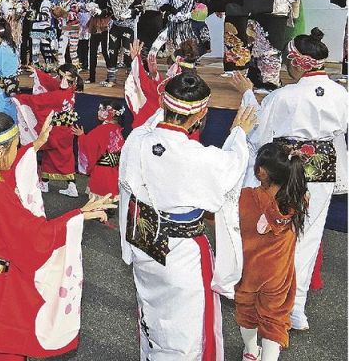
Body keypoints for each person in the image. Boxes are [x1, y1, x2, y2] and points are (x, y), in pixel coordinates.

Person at [0, 103, 115, 360]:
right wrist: (78, 215)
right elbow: (35, 237)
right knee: (2, 352)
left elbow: (10, 169)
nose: (19, 150)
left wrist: (35, 145)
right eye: (16, 145)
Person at [118, 72, 257, 361]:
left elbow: (153, 122)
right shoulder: (199, 157)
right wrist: (239, 133)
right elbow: (232, 167)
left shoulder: (137, 140)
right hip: (182, 252)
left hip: (145, 239)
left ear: (162, 102)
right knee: (185, 329)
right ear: (202, 113)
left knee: (152, 312)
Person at [232, 28, 348, 331]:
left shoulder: (282, 97)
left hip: (285, 171)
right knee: (308, 237)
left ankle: (272, 302)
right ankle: (296, 308)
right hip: (321, 168)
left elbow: (259, 135)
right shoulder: (340, 93)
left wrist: (247, 96)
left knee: (278, 238)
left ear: (296, 64)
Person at [234, 142, 308, 361]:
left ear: (261, 172)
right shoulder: (299, 200)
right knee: (274, 319)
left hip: (247, 271)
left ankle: (249, 351)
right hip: (277, 275)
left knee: (246, 312)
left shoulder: (245, 197)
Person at [14, 64, 80, 197]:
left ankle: (46, 184)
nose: (56, 79)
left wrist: (17, 97)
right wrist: (38, 73)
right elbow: (52, 83)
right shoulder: (71, 91)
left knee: (48, 153)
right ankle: (68, 186)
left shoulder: (57, 96)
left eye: (59, 77)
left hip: (55, 131)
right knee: (65, 158)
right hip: (67, 130)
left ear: (63, 79)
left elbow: (37, 101)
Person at [75, 99, 126, 200]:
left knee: (100, 192)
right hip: (114, 169)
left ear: (110, 113)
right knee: (110, 189)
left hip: (101, 170)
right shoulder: (117, 129)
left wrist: (81, 136)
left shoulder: (99, 130)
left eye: (101, 109)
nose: (98, 112)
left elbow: (89, 146)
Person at [105, 0, 141, 85]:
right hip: (115, 26)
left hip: (128, 27)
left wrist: (131, 12)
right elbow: (108, 10)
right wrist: (100, 11)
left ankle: (131, 79)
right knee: (112, 51)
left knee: (127, 52)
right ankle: (111, 78)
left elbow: (140, 8)